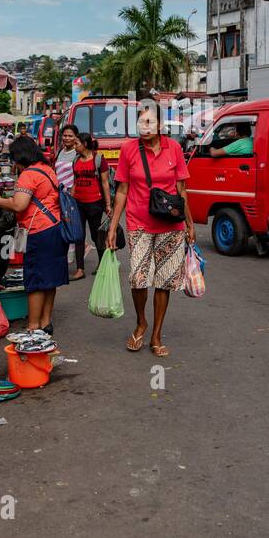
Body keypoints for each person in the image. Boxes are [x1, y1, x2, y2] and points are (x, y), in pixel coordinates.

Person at [105, 106, 194, 357]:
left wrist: (189, 224)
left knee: (164, 281)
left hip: (171, 225)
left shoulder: (174, 149)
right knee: (138, 278)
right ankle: (141, 321)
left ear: (160, 125)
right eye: (141, 122)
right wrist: (113, 227)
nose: (144, 127)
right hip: (138, 223)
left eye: (149, 121)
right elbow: (121, 191)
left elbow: (181, 189)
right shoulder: (128, 149)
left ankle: (156, 334)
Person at [0, 135, 67, 332]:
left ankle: (33, 327)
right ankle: (45, 322)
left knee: (34, 281)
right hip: (55, 228)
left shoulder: (28, 174)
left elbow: (18, 204)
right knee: (50, 280)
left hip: (39, 231)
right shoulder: (47, 169)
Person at [69, 131, 110, 280]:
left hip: (95, 203)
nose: (74, 146)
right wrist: (70, 199)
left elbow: (105, 183)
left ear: (85, 144)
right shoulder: (76, 160)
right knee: (79, 236)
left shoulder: (98, 160)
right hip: (78, 203)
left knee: (95, 234)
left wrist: (108, 204)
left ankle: (102, 263)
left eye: (76, 143)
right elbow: (75, 181)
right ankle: (80, 269)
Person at [55, 123, 79, 190]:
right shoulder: (59, 151)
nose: (67, 138)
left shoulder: (78, 153)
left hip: (71, 192)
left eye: (70, 136)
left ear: (76, 137)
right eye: (65, 136)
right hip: (59, 191)